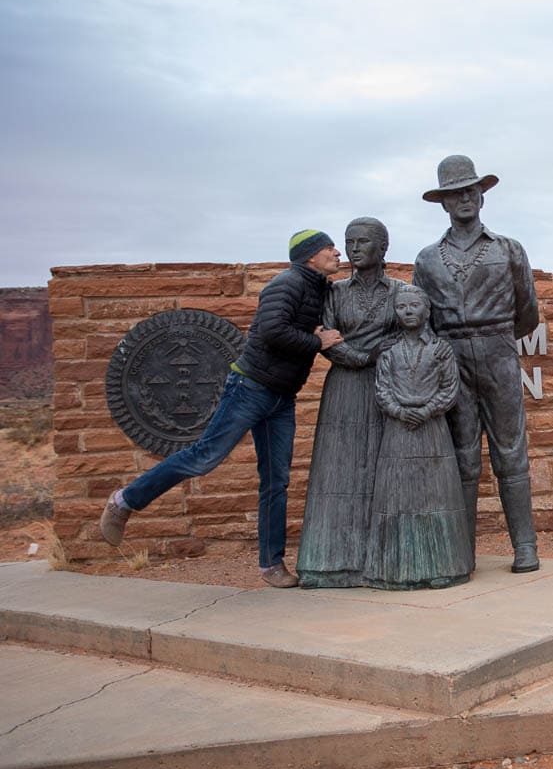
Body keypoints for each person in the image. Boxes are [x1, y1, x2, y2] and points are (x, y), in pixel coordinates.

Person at [99, 229, 344, 588]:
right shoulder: (286, 284)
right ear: (309, 256)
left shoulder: (318, 287)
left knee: (276, 480)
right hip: (250, 388)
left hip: (281, 398)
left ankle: (271, 565)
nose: (337, 252)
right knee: (205, 456)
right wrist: (315, 341)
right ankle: (124, 500)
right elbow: (272, 331)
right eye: (328, 248)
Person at [413, 155, 541, 573]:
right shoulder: (427, 259)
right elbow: (421, 317)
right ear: (444, 203)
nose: (465, 198)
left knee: (511, 452)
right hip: (451, 358)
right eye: (455, 193)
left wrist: (493, 337)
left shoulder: (508, 249)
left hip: (499, 352)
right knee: (462, 456)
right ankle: (461, 552)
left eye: (471, 190)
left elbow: (528, 313)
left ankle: (525, 546)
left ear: (481, 196)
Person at [296, 217, 407, 588]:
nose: (354, 248)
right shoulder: (335, 292)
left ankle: (385, 561)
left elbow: (407, 335)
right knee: (339, 470)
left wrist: (376, 356)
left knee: (383, 470)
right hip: (344, 386)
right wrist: (360, 358)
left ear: (382, 248)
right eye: (349, 242)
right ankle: (332, 563)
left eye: (362, 241)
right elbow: (325, 336)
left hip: (386, 386)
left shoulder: (401, 292)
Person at [364, 284, 473, 589]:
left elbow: (450, 389)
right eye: (401, 307)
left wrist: (427, 411)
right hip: (398, 432)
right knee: (397, 496)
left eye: (414, 305)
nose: (408, 311)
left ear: (427, 310)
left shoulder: (441, 350)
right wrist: (400, 412)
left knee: (435, 496)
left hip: (433, 431)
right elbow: (382, 390)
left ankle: (443, 566)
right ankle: (397, 569)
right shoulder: (390, 352)